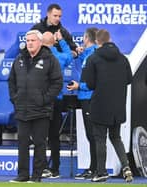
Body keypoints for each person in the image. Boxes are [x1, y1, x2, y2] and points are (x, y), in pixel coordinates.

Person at [8, 30, 63, 183]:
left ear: (40, 42)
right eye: (28, 40)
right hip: (22, 108)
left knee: (40, 143)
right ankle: (22, 175)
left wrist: (44, 99)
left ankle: (37, 176)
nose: (30, 43)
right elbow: (11, 81)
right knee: (22, 143)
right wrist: (15, 98)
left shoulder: (50, 60)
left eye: (32, 40)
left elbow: (57, 83)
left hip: (41, 109)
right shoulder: (19, 59)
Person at [83, 29, 133, 182]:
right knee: (116, 137)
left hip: (99, 105)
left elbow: (90, 84)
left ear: (97, 41)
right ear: (109, 39)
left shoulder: (93, 58)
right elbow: (129, 79)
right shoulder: (123, 58)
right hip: (118, 105)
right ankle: (126, 166)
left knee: (100, 139)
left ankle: (101, 171)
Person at [67, 27, 98, 180]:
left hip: (90, 97)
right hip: (85, 98)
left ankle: (95, 169)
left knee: (93, 134)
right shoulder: (88, 54)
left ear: (86, 38)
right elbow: (80, 61)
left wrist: (80, 86)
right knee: (90, 134)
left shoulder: (94, 55)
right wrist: (77, 52)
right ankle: (93, 168)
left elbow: (94, 81)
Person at [41, 31, 73, 179]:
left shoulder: (38, 58)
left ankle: (42, 168)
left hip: (41, 101)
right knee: (54, 136)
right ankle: (55, 169)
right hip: (57, 100)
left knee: (40, 135)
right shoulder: (60, 57)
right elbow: (69, 55)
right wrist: (61, 41)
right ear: (53, 42)